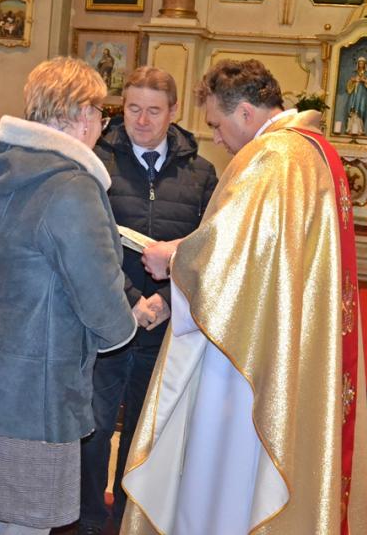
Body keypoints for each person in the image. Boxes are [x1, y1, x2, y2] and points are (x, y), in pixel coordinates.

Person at [121, 59, 367, 534]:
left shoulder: (272, 157)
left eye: (217, 125)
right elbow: (258, 245)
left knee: (230, 469)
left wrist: (173, 260)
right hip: (286, 330)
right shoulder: (311, 149)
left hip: (252, 350)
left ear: (244, 113)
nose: (216, 138)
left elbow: (233, 258)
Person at [0, 56, 137, 535]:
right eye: (101, 113)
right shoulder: (71, 185)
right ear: (82, 114)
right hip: (38, 379)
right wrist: (124, 327)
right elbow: (98, 289)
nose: (101, 125)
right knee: (29, 517)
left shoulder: (5, 168)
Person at [78, 67, 217, 534]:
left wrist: (166, 299)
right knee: (95, 427)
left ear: (173, 111)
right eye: (132, 108)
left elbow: (209, 246)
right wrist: (134, 299)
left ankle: (128, 518)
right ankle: (89, 518)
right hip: (107, 319)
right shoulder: (97, 160)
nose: (141, 120)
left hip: (167, 325)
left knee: (145, 430)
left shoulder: (200, 172)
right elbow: (87, 242)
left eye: (153, 111)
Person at [346, 56, 367, 135]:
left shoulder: (366, 73)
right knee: (352, 108)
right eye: (359, 63)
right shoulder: (354, 73)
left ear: (364, 64)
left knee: (361, 108)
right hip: (354, 93)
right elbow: (349, 84)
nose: (361, 64)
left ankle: (360, 129)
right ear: (357, 64)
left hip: (362, 94)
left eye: (362, 63)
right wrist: (353, 80)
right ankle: (350, 128)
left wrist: (364, 80)